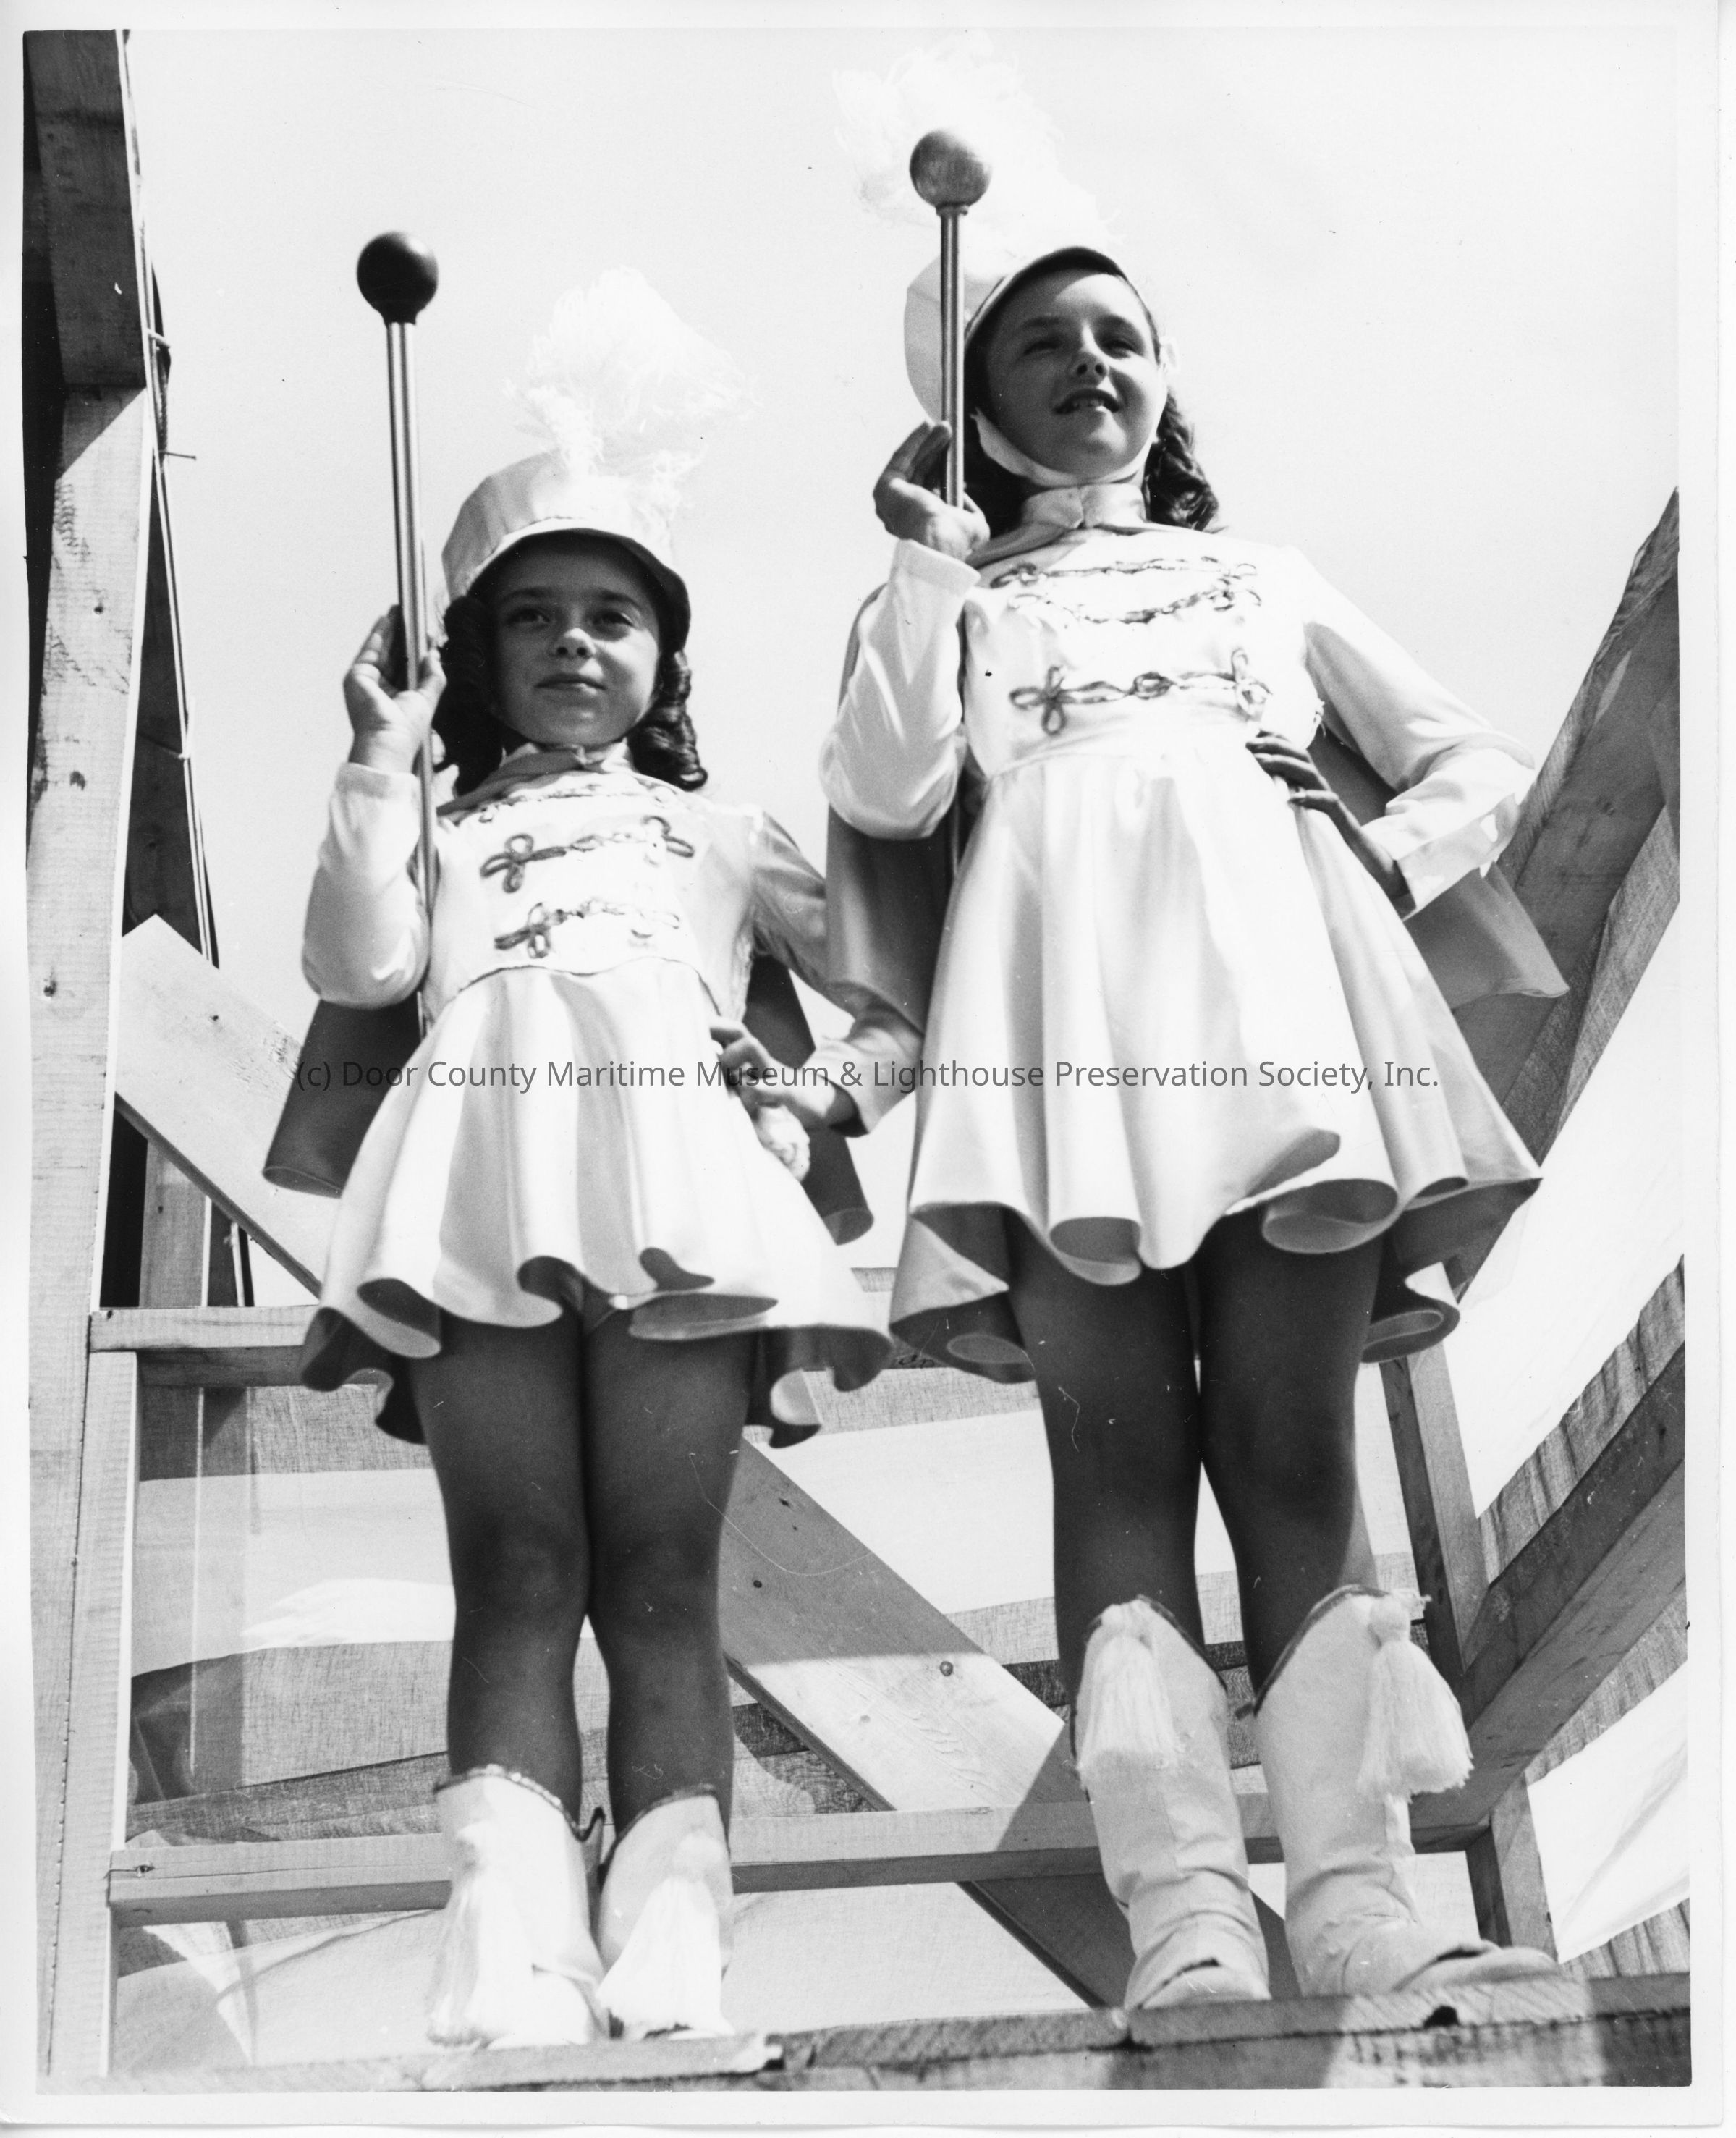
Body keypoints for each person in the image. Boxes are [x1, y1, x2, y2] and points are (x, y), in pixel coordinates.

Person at [820, 241, 1556, 2007]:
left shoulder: (1263, 576)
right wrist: (923, 568)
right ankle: (1188, 1914)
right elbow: (884, 789)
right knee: (1116, 1455)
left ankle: (1362, 1905)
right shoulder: (950, 594)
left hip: (1282, 1022)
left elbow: (1476, 763)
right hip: (1061, 1032)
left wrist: (1382, 853)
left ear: (1165, 374)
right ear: (972, 403)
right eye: (1039, 342)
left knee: (1296, 1446)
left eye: (1121, 335)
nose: (1090, 361)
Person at [294, 276, 915, 2046]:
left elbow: (899, 1008)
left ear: (666, 656)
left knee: (658, 1571)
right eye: (535, 618)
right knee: (516, 1564)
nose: (576, 645)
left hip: (681, 1201)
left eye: (614, 617)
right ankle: (511, 1950)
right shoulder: (436, 828)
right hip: (476, 1197)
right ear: (476, 657)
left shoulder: (720, 831)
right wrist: (376, 762)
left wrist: (815, 1101)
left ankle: (672, 1945)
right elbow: (357, 966)